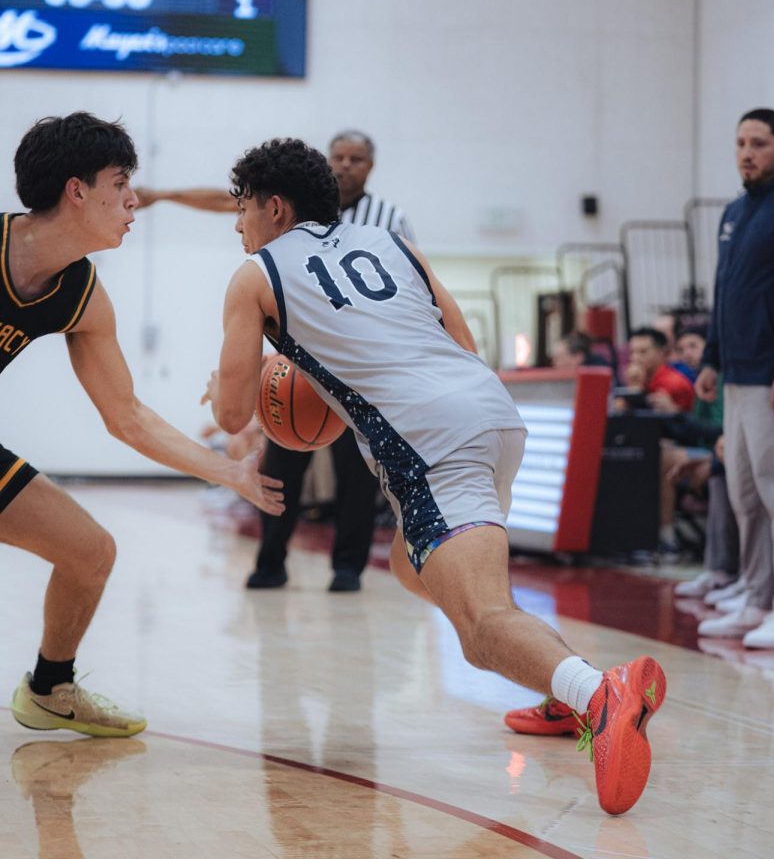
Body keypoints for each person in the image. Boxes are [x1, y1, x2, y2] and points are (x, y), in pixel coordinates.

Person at [204, 137, 666, 817]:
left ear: (275, 208)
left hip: (429, 448)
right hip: (492, 417)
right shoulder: (394, 244)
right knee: (410, 566)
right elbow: (463, 342)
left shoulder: (254, 276)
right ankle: (562, 691)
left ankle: (599, 695)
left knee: (479, 628)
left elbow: (233, 413)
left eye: (241, 207)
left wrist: (232, 383)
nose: (237, 224)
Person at [1, 113, 283, 740]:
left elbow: (126, 415)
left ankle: (50, 690)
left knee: (89, 552)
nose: (135, 200)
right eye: (121, 183)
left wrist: (229, 470)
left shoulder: (79, 293)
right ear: (77, 190)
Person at [137, 129, 414, 594]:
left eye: (357, 158)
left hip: (356, 373)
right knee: (282, 461)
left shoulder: (388, 220)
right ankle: (270, 560)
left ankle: (348, 568)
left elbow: (404, 289)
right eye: (339, 156)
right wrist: (165, 195)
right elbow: (227, 200)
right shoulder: (284, 209)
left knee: (357, 476)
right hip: (295, 368)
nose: (346, 165)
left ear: (371, 166)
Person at [694, 108, 774, 648]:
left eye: (758, 143)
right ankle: (757, 599)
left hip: (772, 374)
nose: (746, 153)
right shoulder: (735, 210)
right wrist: (711, 358)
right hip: (736, 373)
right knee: (745, 493)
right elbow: (724, 290)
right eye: (740, 143)